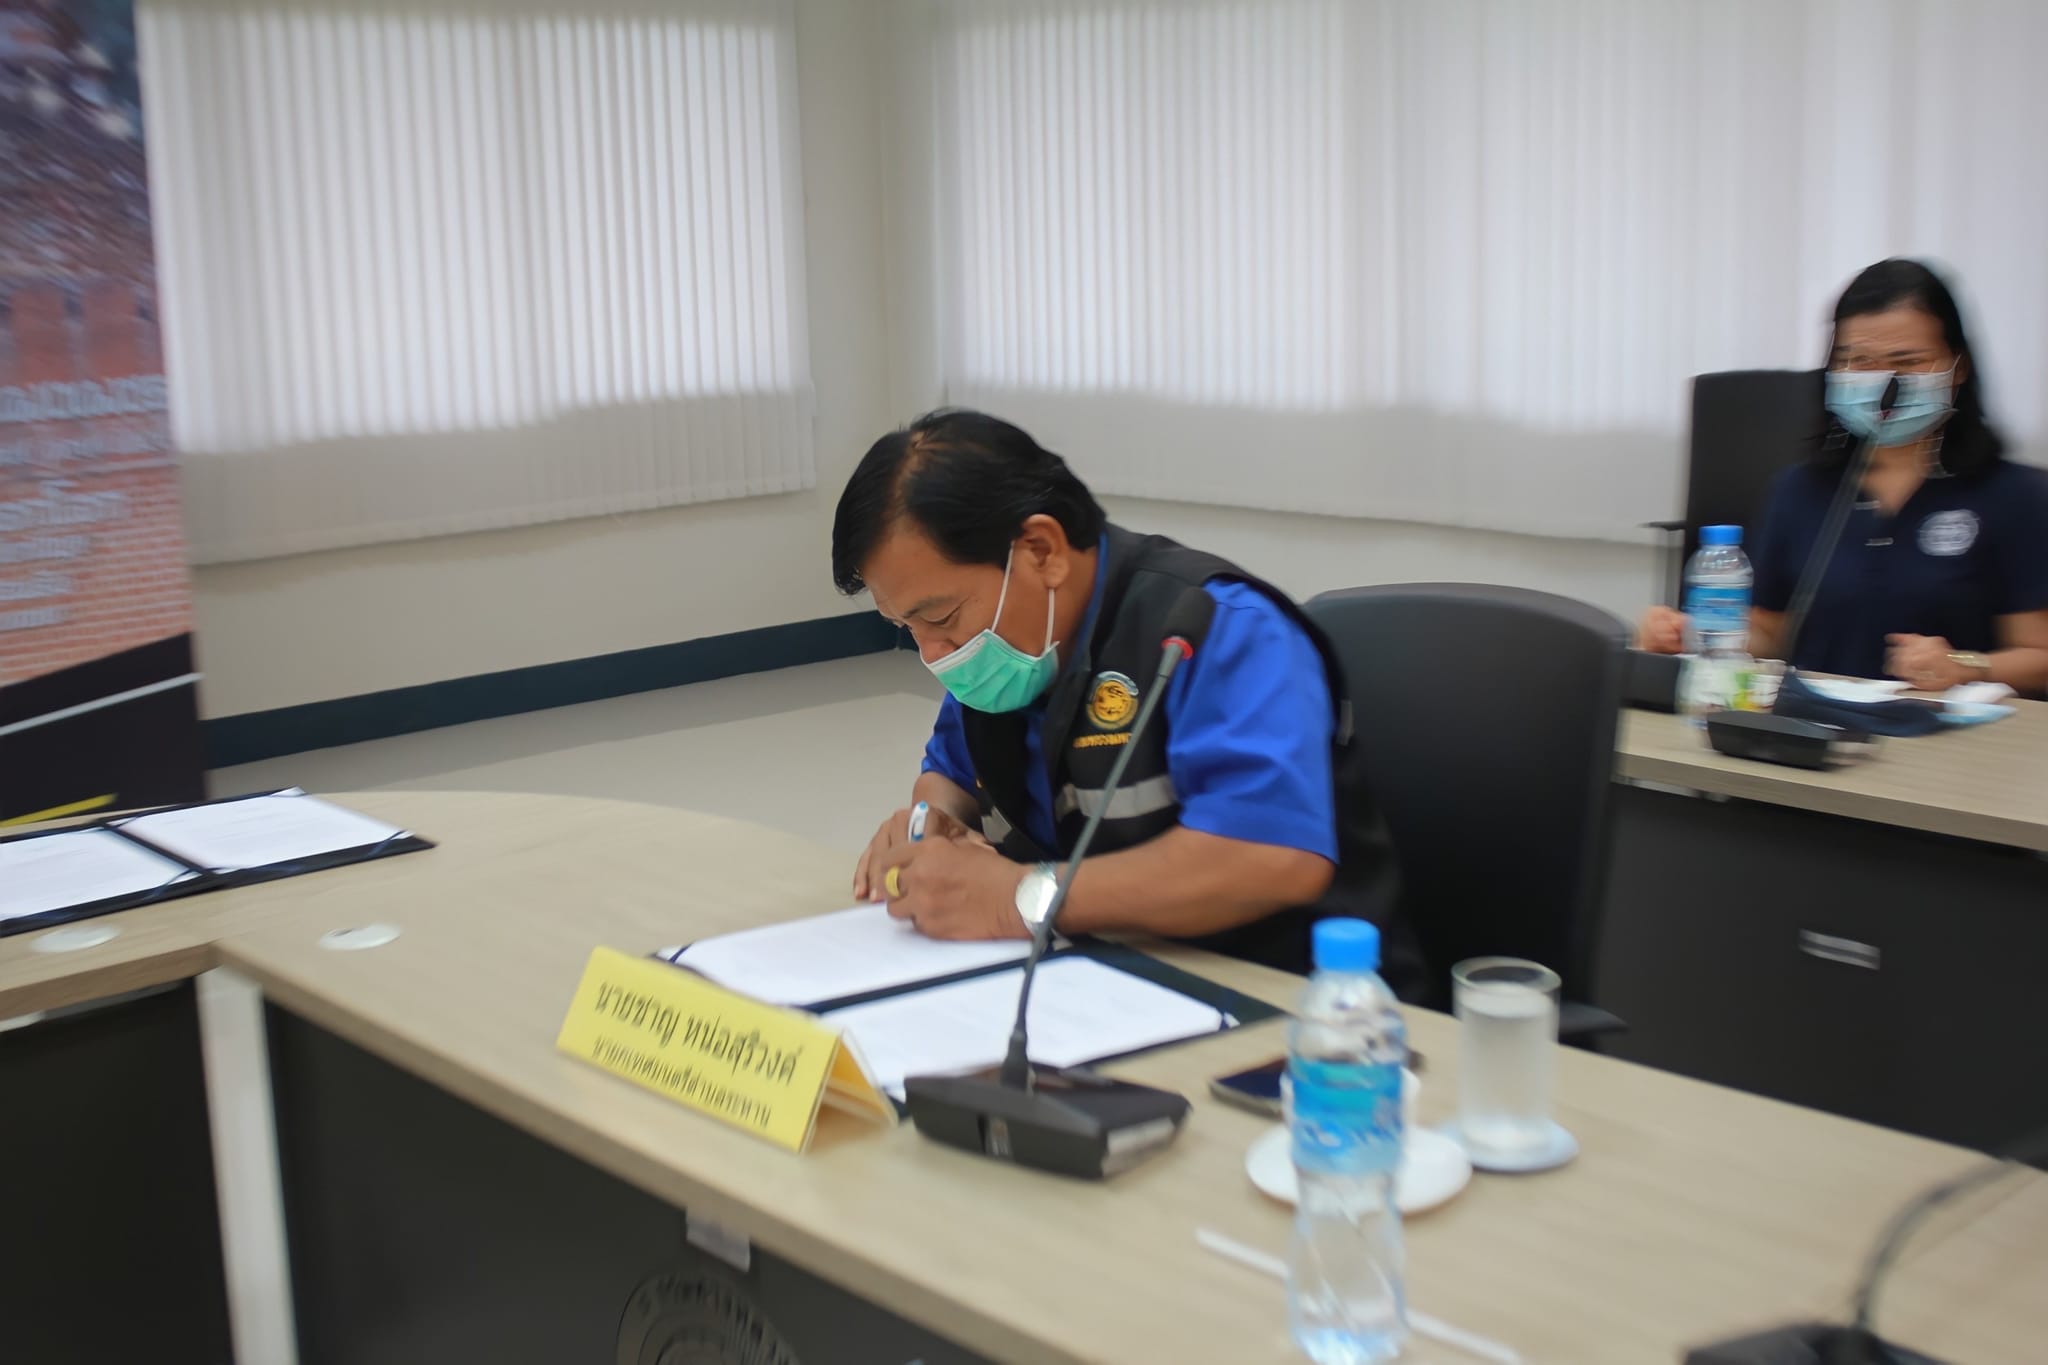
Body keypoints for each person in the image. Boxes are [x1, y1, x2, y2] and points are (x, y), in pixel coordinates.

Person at [831, 409, 1413, 985]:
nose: (933, 654)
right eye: (906, 627)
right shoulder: (1011, 653)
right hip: (1103, 975)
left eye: (940, 617)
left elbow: (1273, 857)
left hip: (1294, 997)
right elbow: (950, 773)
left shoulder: (1216, 630)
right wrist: (933, 824)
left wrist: (1021, 897)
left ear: (1040, 550)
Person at [1640, 259, 2048, 695]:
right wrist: (1690, 634)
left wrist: (1967, 666)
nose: (1883, 382)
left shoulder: (2015, 495)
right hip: (1816, 725)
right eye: (1859, 361)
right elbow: (1771, 634)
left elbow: (2039, 657)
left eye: (1908, 361)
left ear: (1958, 367)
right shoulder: (1798, 491)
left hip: (1952, 730)